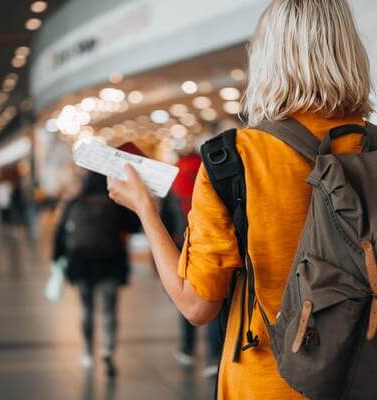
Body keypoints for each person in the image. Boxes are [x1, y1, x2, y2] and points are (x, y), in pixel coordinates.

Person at [106, 0, 373, 398]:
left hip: (267, 383)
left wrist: (145, 208)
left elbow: (197, 306)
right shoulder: (371, 150)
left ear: (267, 57)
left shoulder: (232, 158)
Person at [53, 171, 140, 377]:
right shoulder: (115, 204)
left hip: (82, 264)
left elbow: (60, 233)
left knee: (86, 309)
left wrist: (57, 258)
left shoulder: (74, 202)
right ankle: (107, 351)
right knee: (109, 311)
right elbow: (134, 226)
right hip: (110, 263)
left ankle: (87, 354)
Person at [161, 151, 222, 376]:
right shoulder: (211, 171)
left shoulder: (174, 178)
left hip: (181, 247)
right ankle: (214, 356)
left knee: (187, 298)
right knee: (214, 298)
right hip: (210, 245)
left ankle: (187, 348)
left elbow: (165, 218)